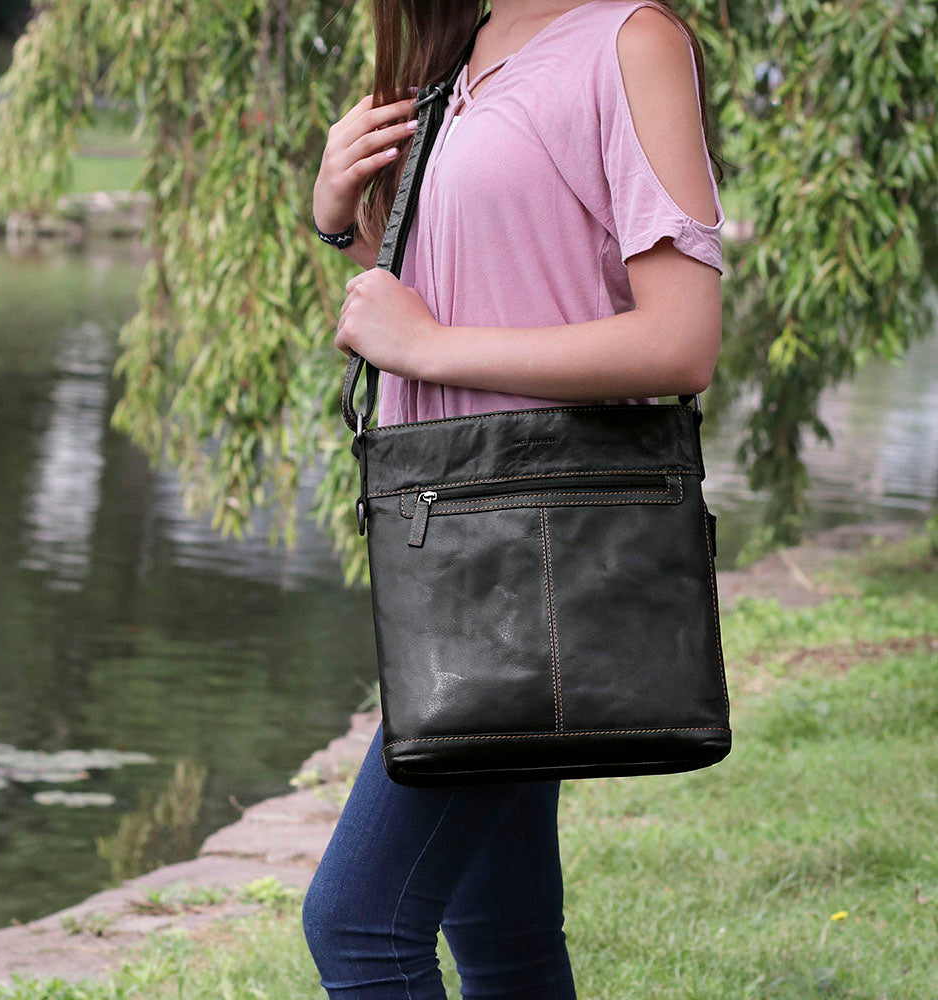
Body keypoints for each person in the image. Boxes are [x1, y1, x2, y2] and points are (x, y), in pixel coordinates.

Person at [305, 1, 725, 996]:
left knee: (359, 924)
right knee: (501, 929)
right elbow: (472, 286)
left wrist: (427, 347)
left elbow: (681, 341)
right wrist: (342, 219)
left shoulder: (631, 41)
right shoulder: (465, 46)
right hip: (456, 544)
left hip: (532, 557)